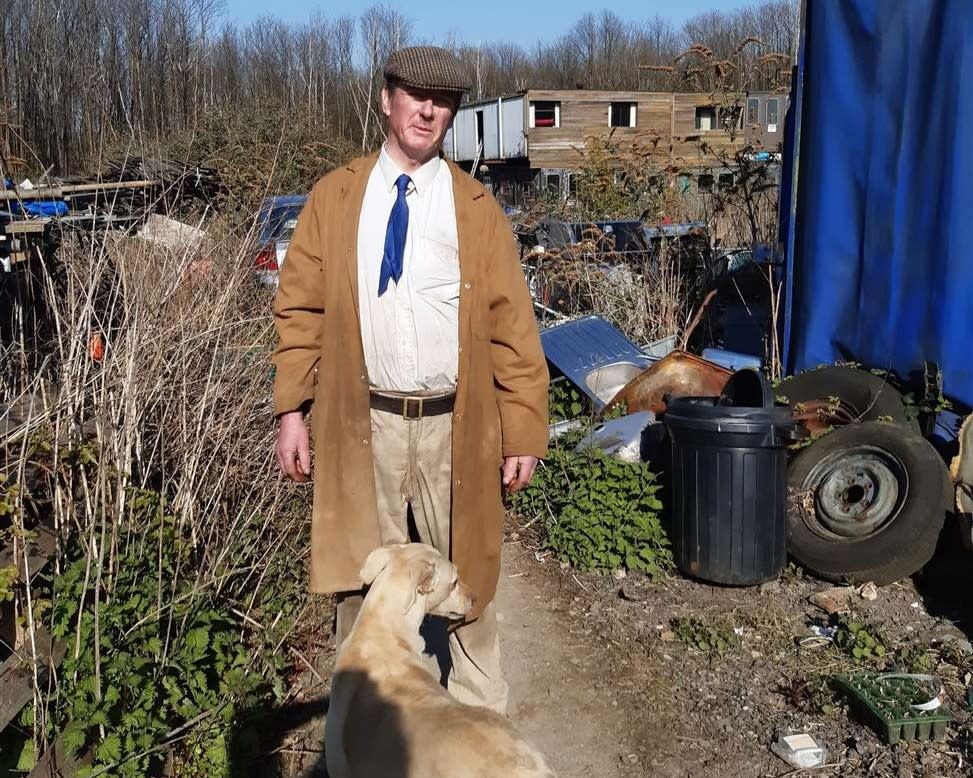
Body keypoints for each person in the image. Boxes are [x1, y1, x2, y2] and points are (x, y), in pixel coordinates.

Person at [271, 46, 549, 714]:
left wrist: (524, 430)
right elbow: (299, 309)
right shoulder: (336, 197)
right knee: (360, 583)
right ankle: (366, 723)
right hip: (361, 421)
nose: (428, 110)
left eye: (443, 100)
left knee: (468, 584)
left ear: (452, 112)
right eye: (414, 95)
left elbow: (513, 325)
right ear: (386, 100)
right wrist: (291, 412)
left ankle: (482, 727)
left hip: (455, 424)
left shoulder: (474, 207)